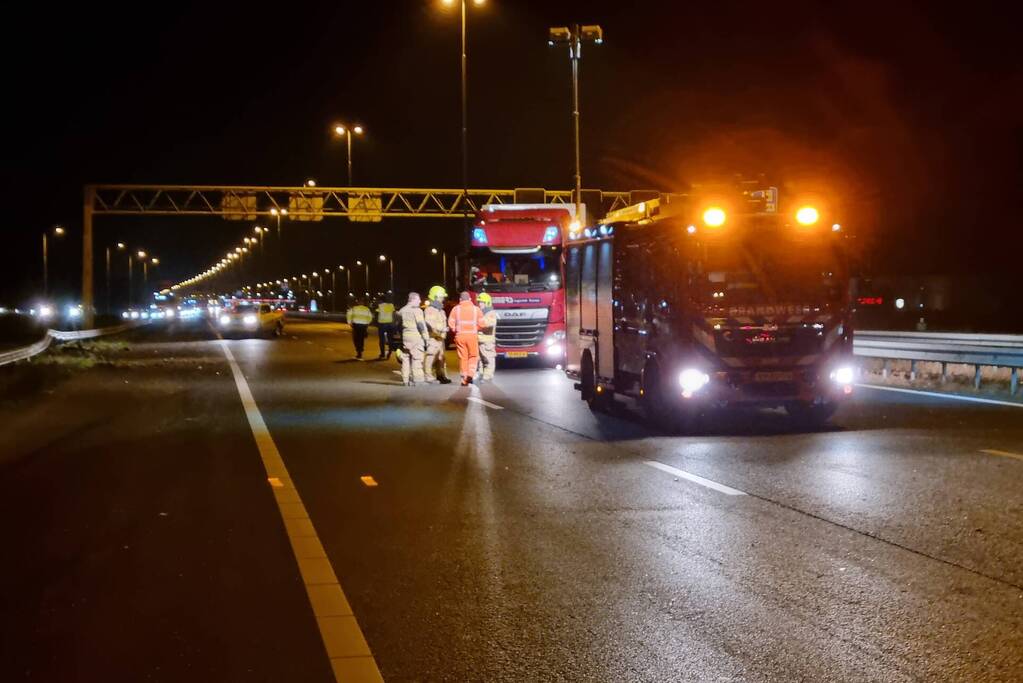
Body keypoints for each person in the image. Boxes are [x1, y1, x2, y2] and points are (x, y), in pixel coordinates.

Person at [448, 291, 484, 386]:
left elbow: (451, 323)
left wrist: (455, 330)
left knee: (463, 357)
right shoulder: (476, 309)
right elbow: (482, 324)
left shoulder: (456, 309)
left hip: (460, 336)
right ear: (470, 299)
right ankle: (470, 374)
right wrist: (476, 329)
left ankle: (464, 378)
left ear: (460, 299)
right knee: (473, 356)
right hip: (472, 336)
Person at [396, 292, 427, 386]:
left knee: (406, 358)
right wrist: (426, 337)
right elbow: (421, 325)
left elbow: (398, 325)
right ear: (413, 299)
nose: (420, 301)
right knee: (417, 358)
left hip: (406, 336)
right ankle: (418, 380)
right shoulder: (417, 311)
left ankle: (405, 380)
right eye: (418, 299)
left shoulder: (402, 310)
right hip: (415, 336)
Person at [423, 285, 452, 384]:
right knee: (431, 357)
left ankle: (441, 375)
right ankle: (428, 375)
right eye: (441, 297)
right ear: (435, 297)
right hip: (433, 338)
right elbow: (430, 325)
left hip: (440, 339)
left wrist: (444, 332)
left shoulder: (441, 311)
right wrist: (442, 329)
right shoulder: (430, 310)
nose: (443, 299)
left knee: (441, 358)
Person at [476, 292, 499, 382]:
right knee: (481, 359)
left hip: (487, 341)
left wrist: (477, 323)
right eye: (479, 302)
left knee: (488, 358)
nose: (480, 304)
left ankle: (488, 376)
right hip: (481, 341)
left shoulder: (491, 313)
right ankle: (482, 374)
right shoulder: (482, 313)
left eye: (481, 302)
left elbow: (488, 323)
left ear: (487, 303)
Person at [374, 295, 396, 360]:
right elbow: (393, 314)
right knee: (390, 339)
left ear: (381, 300)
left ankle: (382, 354)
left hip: (382, 324)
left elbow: (376, 315)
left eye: (378, 300)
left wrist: (376, 323)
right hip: (390, 324)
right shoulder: (391, 305)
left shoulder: (379, 306)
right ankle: (389, 352)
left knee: (382, 339)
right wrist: (393, 323)